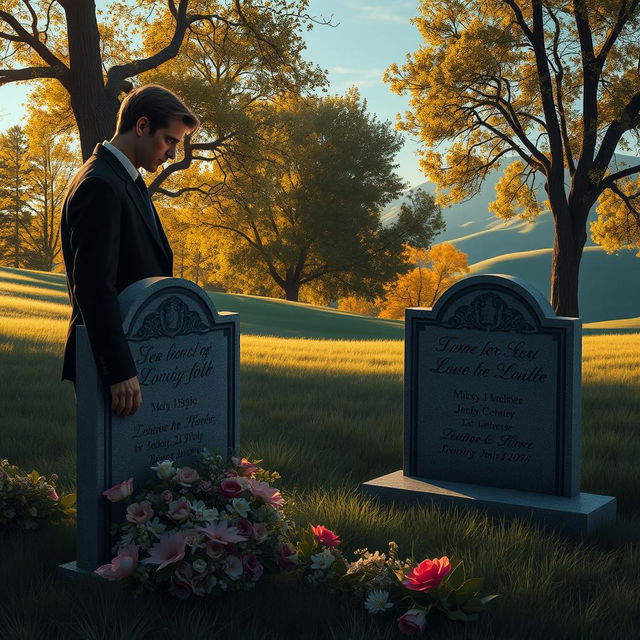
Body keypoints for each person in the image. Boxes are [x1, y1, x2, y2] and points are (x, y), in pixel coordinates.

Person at [60, 84, 199, 418]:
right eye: (169, 140)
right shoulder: (99, 184)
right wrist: (119, 370)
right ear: (141, 126)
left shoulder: (122, 180)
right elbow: (93, 287)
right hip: (112, 369)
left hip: (140, 357)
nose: (171, 154)